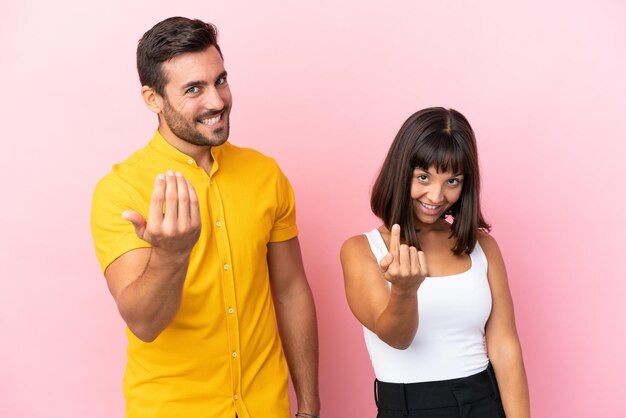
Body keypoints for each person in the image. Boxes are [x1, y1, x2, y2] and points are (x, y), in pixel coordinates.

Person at [90, 17, 319, 418]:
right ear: (152, 98)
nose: (216, 101)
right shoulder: (119, 191)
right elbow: (144, 323)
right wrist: (171, 254)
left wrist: (310, 406)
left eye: (221, 80)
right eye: (194, 89)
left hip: (266, 407)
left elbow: (291, 291)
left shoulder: (266, 174)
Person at [340, 107, 530, 417]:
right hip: (407, 407)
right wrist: (404, 289)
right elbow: (397, 339)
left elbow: (505, 349)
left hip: (483, 402)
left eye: (452, 181)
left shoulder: (482, 247)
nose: (436, 195)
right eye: (423, 177)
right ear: (402, 172)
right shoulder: (362, 250)